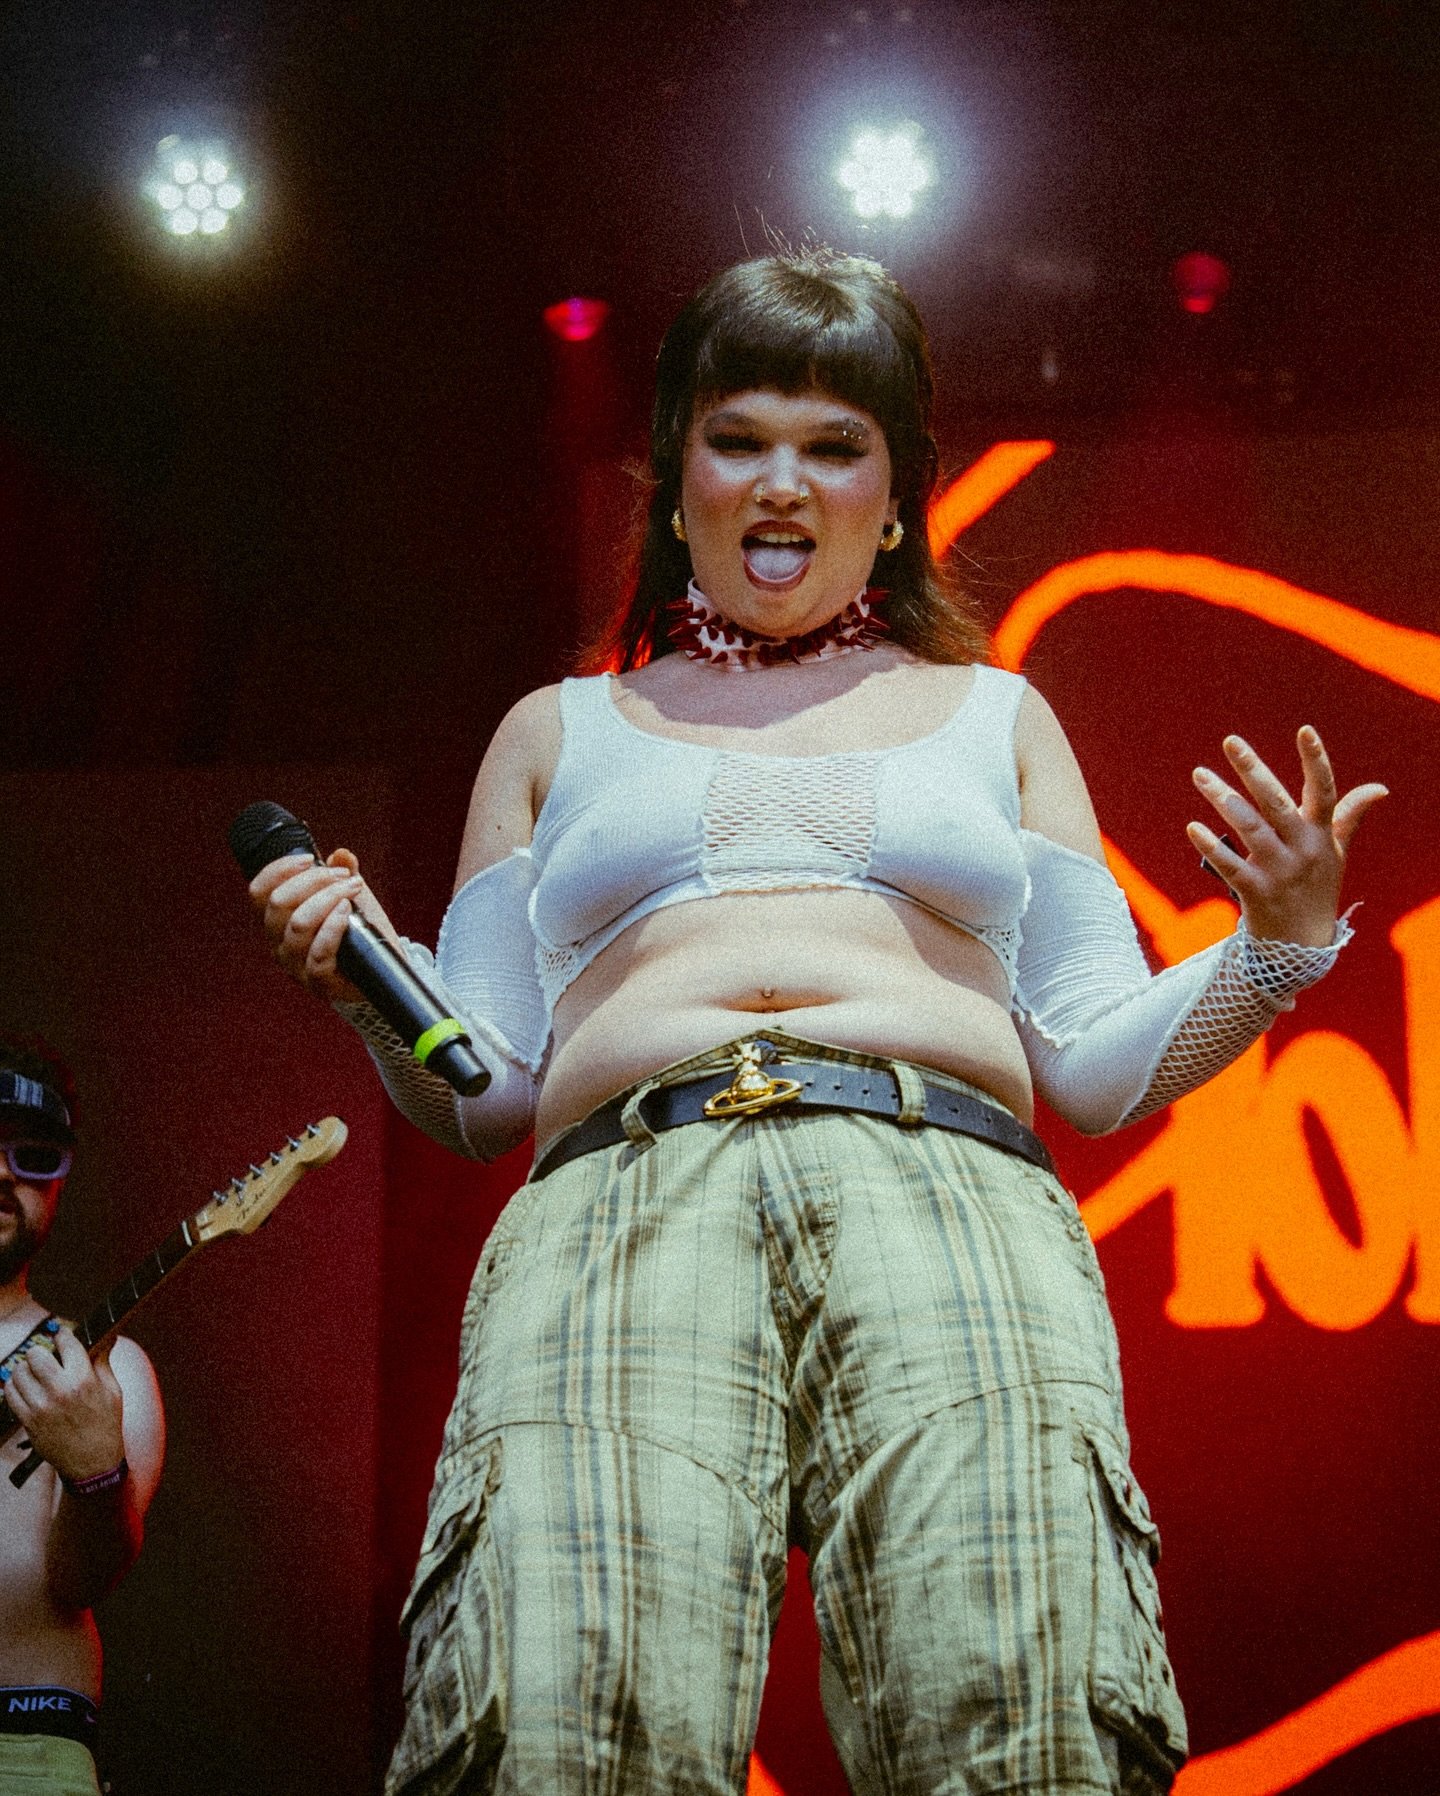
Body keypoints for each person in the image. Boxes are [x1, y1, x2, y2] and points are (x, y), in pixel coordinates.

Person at [252, 251, 1384, 1796]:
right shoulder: (554, 731)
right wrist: (368, 984)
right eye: (741, 437)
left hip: (949, 1190)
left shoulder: (998, 716)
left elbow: (1102, 1064)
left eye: (835, 445)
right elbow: (486, 1091)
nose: (784, 481)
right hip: (622, 1203)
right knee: (564, 1721)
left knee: (1023, 1707)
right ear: (676, 480)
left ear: (896, 496)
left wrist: (1282, 946)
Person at [0, 1042, 166, 1796]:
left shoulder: (103, 1369)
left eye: (32, 1155)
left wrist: (97, 1474)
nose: (3, 1174)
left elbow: (79, 1580)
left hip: (26, 1748)